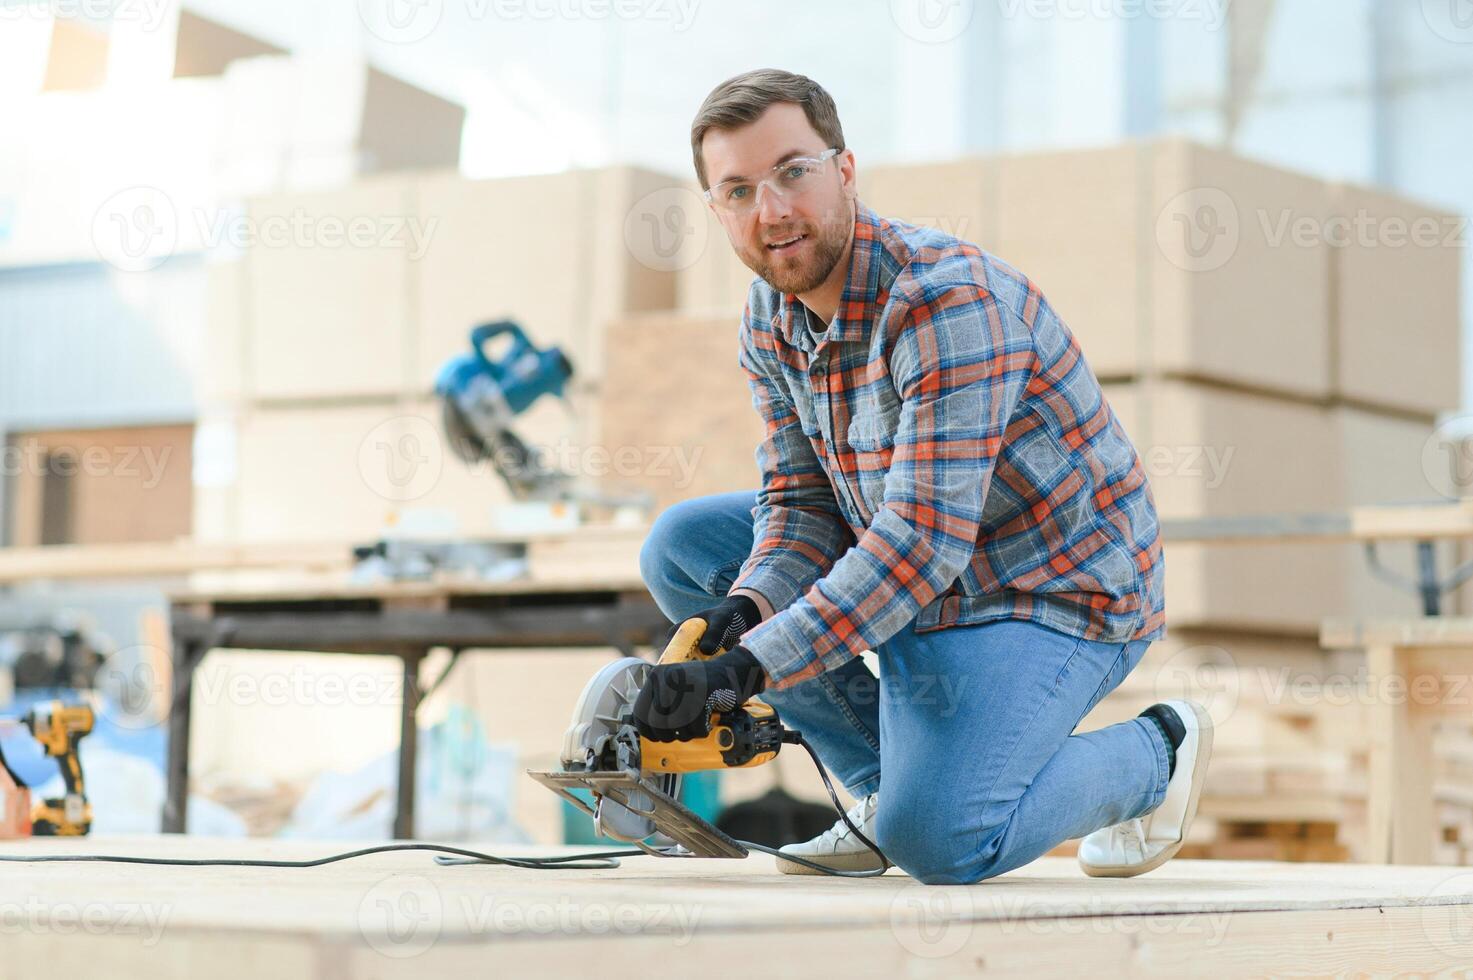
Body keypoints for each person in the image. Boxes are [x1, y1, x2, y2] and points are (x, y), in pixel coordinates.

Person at [630, 68, 1212, 884]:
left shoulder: (945, 303)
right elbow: (801, 506)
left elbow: (919, 544)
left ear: (845, 170)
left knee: (943, 842)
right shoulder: (770, 318)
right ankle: (881, 798)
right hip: (917, 575)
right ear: (716, 209)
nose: (773, 212)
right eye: (737, 191)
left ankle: (1157, 752)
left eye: (793, 172)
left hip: (1047, 592)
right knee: (683, 547)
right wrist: (743, 609)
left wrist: (751, 667)